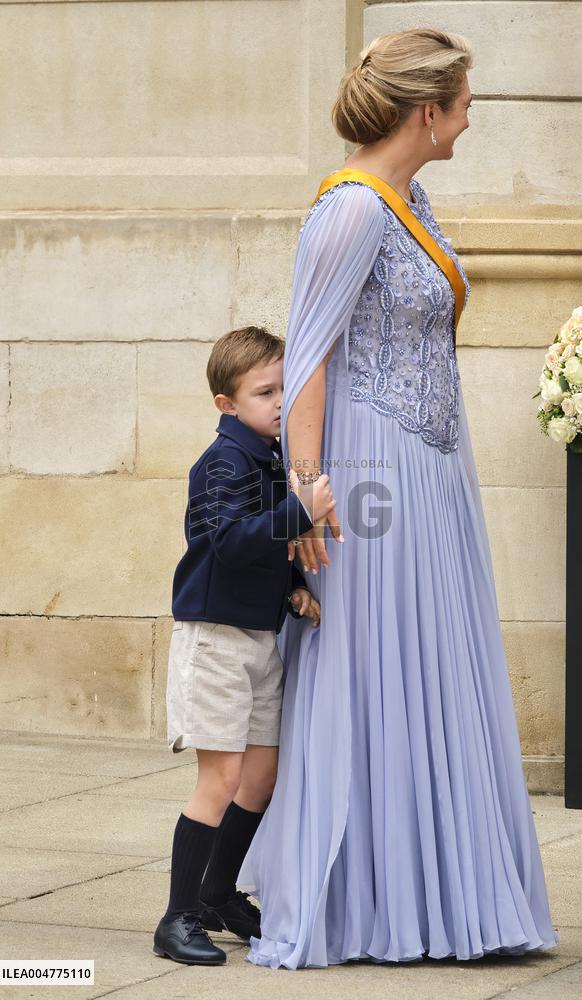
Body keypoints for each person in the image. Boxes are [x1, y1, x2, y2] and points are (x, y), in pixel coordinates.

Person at [238, 29, 559, 968]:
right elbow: (307, 359)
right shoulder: (352, 210)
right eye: (463, 102)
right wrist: (307, 495)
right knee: (375, 662)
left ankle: (447, 895)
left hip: (431, 467)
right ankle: (369, 899)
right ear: (428, 112)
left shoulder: (410, 196)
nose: (469, 117)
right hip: (372, 475)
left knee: (434, 659)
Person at [153, 325, 333, 966]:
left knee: (261, 775)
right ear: (226, 404)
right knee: (221, 777)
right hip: (216, 641)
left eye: (287, 386)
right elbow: (227, 542)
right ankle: (176, 918)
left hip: (259, 637)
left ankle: (220, 893)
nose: (282, 401)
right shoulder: (223, 463)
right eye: (265, 391)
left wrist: (292, 587)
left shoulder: (269, 457)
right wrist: (302, 510)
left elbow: (263, 547)